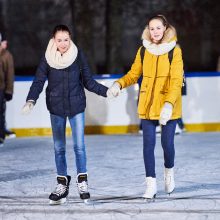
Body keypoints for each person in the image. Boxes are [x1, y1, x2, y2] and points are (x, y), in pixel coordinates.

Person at [22, 24, 112, 205]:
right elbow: (39, 81)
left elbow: (88, 81)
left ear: (70, 38)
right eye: (59, 40)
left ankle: (82, 182)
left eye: (66, 39)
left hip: (76, 106)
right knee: (59, 148)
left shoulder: (78, 56)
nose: (63, 44)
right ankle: (62, 185)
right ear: (53, 40)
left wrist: (107, 91)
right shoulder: (47, 58)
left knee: (79, 146)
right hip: (56, 107)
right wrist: (31, 99)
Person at [108, 15, 183, 199]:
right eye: (151, 28)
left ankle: (169, 173)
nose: (155, 32)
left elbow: (176, 82)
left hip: (168, 106)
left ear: (165, 28)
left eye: (158, 28)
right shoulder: (144, 50)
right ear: (148, 30)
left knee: (167, 144)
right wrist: (119, 84)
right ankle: (151, 184)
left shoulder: (174, 51)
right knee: (148, 145)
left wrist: (168, 105)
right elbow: (134, 74)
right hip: (148, 104)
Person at [0, 32, 15, 147]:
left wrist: (9, 91)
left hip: (1, 89)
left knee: (0, 113)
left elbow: (9, 75)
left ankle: (0, 136)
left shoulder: (6, 55)